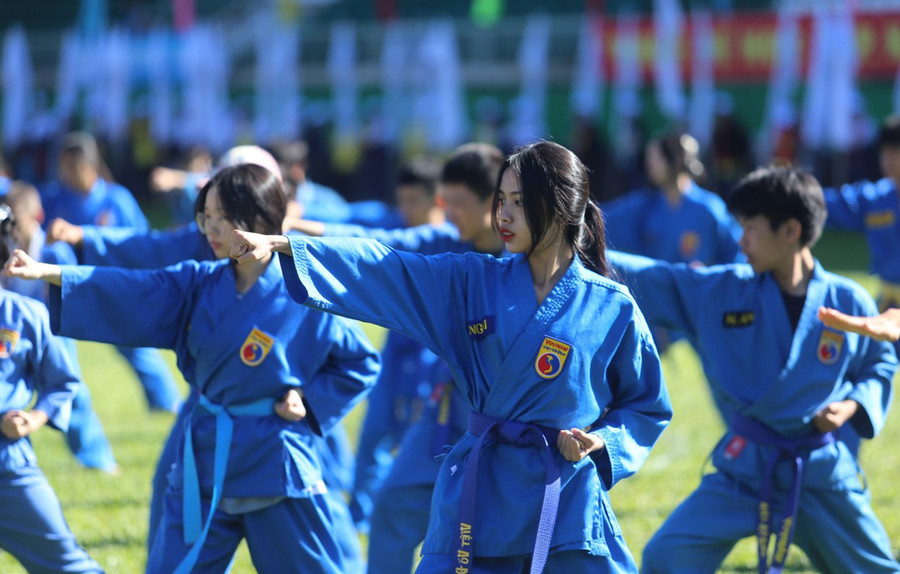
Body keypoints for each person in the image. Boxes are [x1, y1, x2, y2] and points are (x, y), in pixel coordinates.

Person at [230, 140, 673, 572]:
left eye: (519, 202)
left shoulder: (611, 306)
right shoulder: (469, 280)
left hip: (565, 502)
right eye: (501, 200)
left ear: (561, 207)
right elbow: (387, 266)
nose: (503, 214)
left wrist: (602, 441)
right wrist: (288, 245)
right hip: (482, 492)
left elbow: (646, 406)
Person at [6, 164, 381, 573]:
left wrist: (308, 399)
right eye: (206, 216)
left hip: (274, 465)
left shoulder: (305, 292)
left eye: (223, 217)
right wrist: (50, 273)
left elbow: (360, 362)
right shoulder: (197, 282)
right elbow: (136, 290)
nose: (211, 229)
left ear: (261, 220)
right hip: (203, 461)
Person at [606, 166, 899, 573]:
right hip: (744, 468)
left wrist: (851, 405)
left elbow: (878, 363)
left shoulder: (848, 300)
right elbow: (659, 279)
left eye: (751, 228)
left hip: (819, 472)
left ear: (791, 231)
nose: (740, 239)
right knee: (667, 555)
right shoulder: (724, 290)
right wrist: (581, 249)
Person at [40, 131, 181, 413]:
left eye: (72, 167)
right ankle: (68, 405)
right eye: (62, 167)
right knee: (59, 349)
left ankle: (167, 404)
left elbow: (142, 242)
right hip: (69, 290)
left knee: (137, 347)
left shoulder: (117, 199)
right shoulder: (54, 198)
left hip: (115, 286)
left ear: (90, 166)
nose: (66, 173)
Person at [0, 217, 103, 573]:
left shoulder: (26, 315)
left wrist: (32, 419)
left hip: (8, 468)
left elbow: (62, 382)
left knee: (68, 565)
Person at [1, 181, 118, 473]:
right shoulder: (7, 247)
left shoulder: (53, 252)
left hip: (53, 331)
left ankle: (97, 458)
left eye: (18, 223)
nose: (13, 231)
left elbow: (71, 290)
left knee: (72, 392)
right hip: (15, 333)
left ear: (36, 216)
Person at [601, 131, 741, 267]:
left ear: (675, 159)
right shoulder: (645, 205)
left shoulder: (709, 208)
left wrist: (710, 274)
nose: (649, 165)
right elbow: (605, 218)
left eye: (655, 158)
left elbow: (736, 251)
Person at [821, 116, 900, 336]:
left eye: (895, 151)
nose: (888, 160)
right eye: (884, 152)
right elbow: (830, 204)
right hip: (888, 304)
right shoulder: (875, 198)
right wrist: (796, 193)